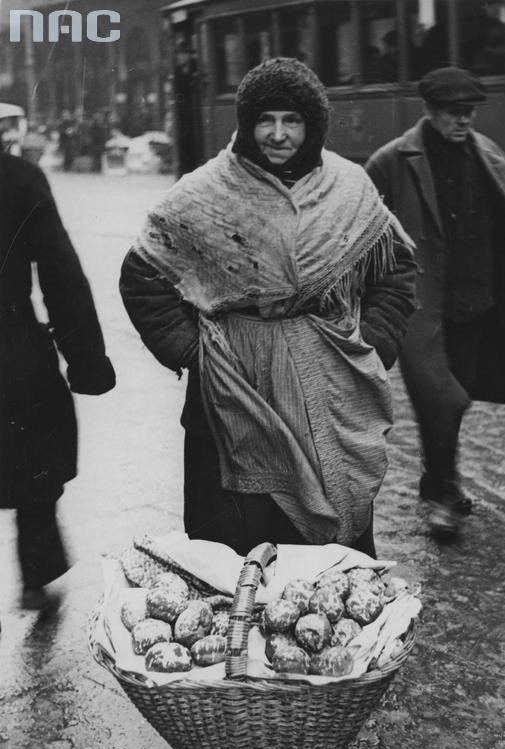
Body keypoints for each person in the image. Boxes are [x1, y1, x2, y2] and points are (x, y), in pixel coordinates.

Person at [120, 57, 417, 558]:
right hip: (233, 380)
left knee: (331, 533)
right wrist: (195, 354)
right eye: (265, 120)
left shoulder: (349, 188)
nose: (278, 135)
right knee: (237, 533)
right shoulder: (204, 192)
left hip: (330, 375)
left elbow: (395, 270)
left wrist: (373, 345)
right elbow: (142, 275)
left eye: (292, 120)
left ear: (313, 126)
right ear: (246, 124)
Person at [365, 66, 505, 539]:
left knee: (456, 398)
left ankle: (437, 480)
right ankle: (445, 496)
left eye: (469, 111)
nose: (463, 120)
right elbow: (366, 232)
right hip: (425, 310)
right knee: (440, 400)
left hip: (479, 304)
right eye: (453, 112)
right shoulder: (392, 161)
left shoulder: (487, 155)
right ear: (429, 110)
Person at [0, 152, 116, 609]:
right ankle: (39, 568)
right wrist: (86, 359)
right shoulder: (17, 177)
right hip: (12, 347)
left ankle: (41, 568)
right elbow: (60, 273)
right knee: (33, 463)